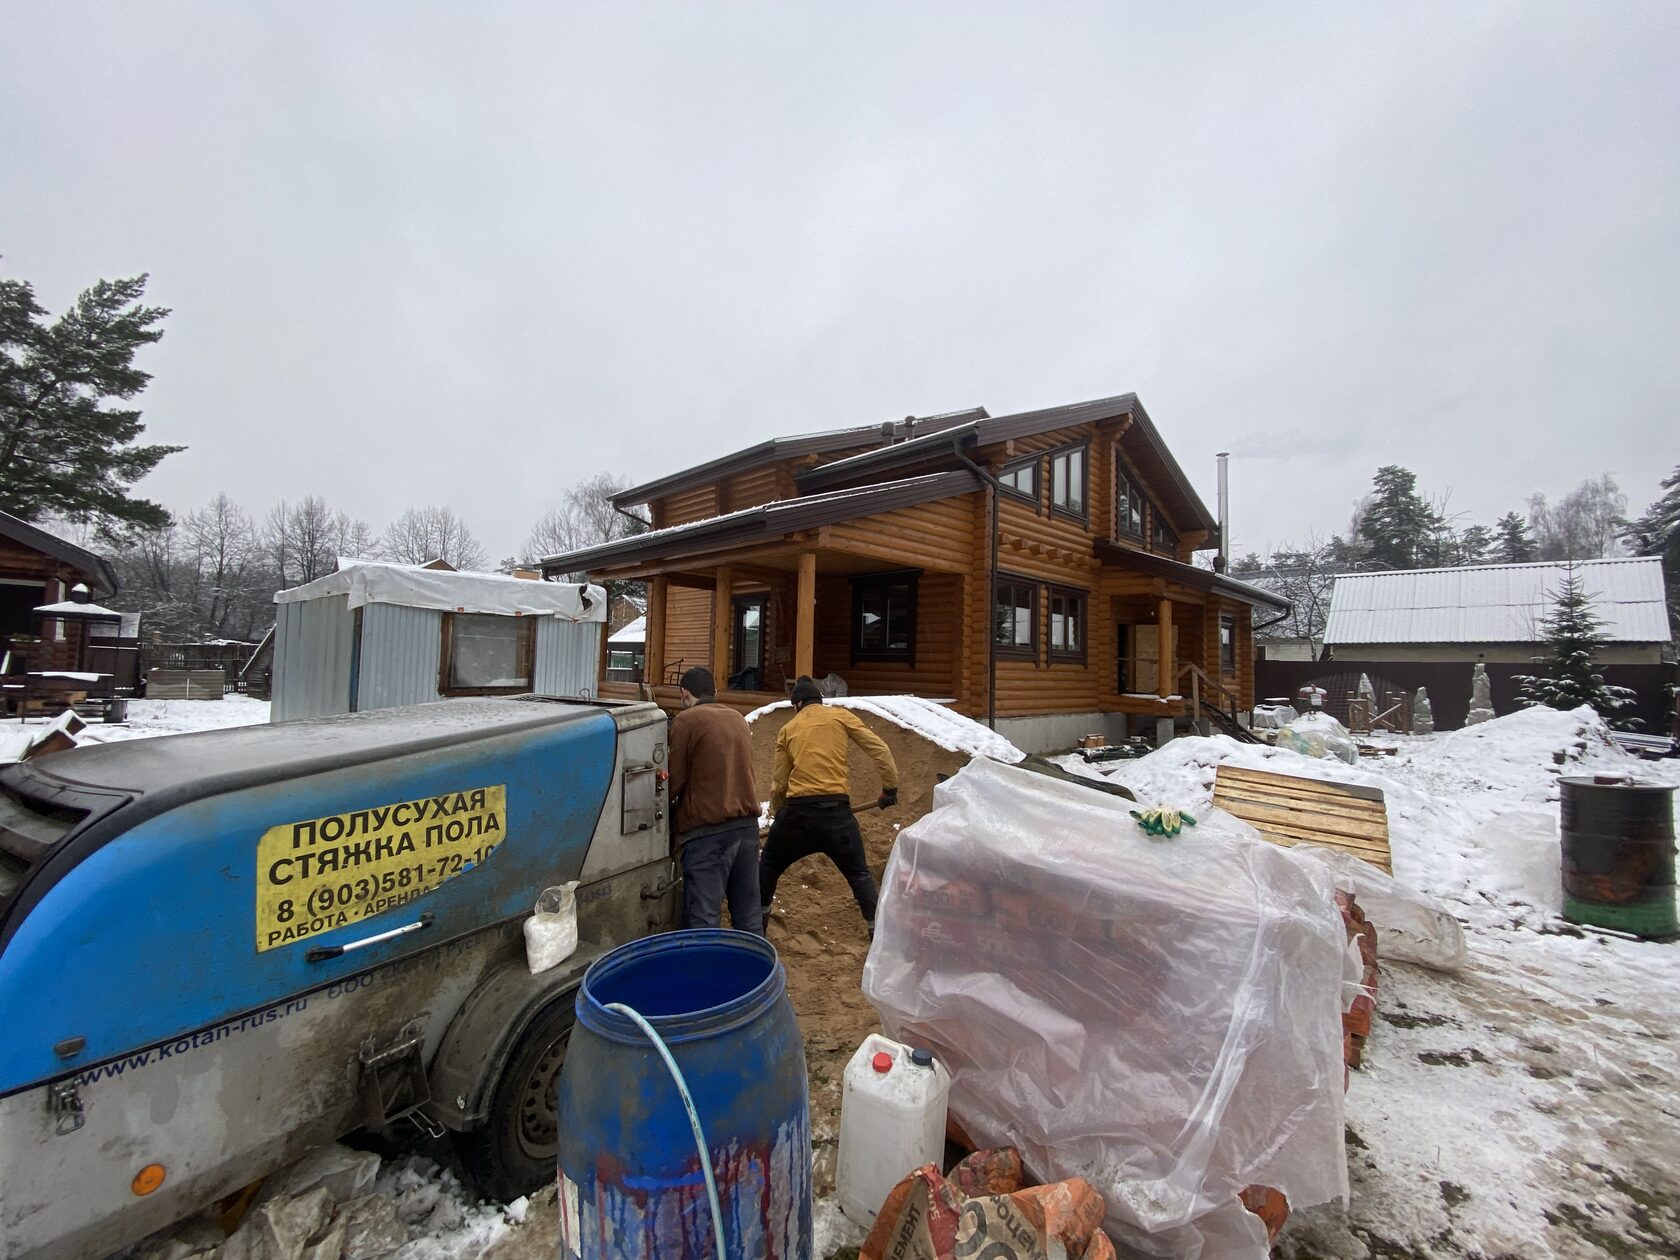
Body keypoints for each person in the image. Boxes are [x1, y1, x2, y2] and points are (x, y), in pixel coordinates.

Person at [761, 676, 898, 934]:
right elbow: (880, 749)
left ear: (797, 704)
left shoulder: (789, 729)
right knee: (859, 874)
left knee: (768, 866)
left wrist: (779, 816)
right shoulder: (840, 717)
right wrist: (890, 789)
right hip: (838, 815)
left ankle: (758, 926)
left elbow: (779, 784)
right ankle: (877, 932)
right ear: (819, 700)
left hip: (798, 815)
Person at [668, 666, 763, 934]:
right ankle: (756, 972)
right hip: (746, 830)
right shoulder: (737, 718)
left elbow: (673, 780)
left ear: (684, 693)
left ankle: (703, 975)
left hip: (708, 834)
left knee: (704, 918)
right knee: (748, 915)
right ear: (715, 691)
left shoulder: (687, 721)